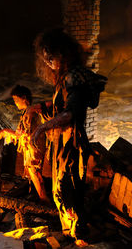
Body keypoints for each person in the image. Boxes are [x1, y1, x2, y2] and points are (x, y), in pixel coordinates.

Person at [31, 28, 107, 246]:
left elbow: (70, 112)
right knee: (60, 189)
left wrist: (41, 128)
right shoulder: (64, 78)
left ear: (64, 53)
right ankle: (70, 230)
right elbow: (58, 106)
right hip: (61, 144)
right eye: (45, 59)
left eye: (51, 57)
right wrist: (37, 108)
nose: (48, 62)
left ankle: (80, 234)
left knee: (69, 189)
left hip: (71, 144)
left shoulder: (75, 76)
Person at [0, 85, 50, 204]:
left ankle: (44, 199)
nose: (15, 103)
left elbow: (24, 135)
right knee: (32, 173)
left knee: (35, 173)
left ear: (24, 98)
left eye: (16, 100)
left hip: (34, 147)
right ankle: (36, 195)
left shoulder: (30, 113)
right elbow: (21, 134)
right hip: (31, 147)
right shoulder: (26, 113)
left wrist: (5, 132)